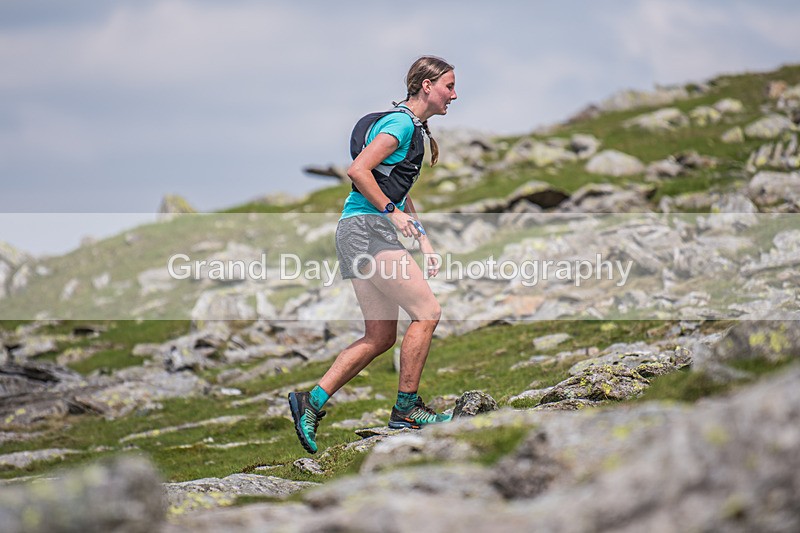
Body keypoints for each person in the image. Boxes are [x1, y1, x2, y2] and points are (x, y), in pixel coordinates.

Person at [288, 56, 458, 454]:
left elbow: (395, 187)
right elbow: (358, 170)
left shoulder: (410, 126)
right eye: (449, 86)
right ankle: (407, 410)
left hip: (358, 230)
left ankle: (311, 401)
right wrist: (390, 213)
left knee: (380, 336)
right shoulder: (401, 124)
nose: (454, 95)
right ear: (427, 86)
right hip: (367, 231)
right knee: (427, 312)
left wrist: (423, 239)